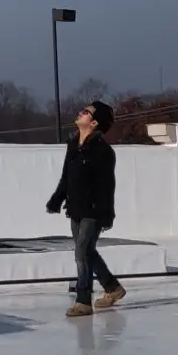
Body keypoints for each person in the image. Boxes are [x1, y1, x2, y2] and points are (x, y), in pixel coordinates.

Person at [47, 100, 123, 316]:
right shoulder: (73, 144)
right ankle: (112, 287)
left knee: (81, 253)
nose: (80, 113)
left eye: (86, 112)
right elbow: (67, 177)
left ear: (94, 122)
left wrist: (107, 214)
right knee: (87, 252)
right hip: (76, 208)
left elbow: (107, 186)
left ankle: (83, 300)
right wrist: (57, 199)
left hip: (94, 210)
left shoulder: (103, 151)